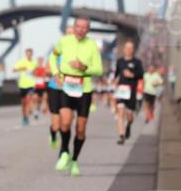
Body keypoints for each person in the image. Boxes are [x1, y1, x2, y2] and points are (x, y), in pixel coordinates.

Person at [52, 17, 103, 177]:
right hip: (67, 87)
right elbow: (53, 57)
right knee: (65, 122)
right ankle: (64, 152)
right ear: (74, 28)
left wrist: (84, 67)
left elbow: (99, 70)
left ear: (88, 30)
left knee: (80, 129)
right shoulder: (64, 41)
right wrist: (56, 73)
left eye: (84, 27)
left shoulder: (92, 45)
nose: (80, 29)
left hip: (84, 90)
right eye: (78, 26)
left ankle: (74, 160)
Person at [112, 40, 144, 145]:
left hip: (132, 91)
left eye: (130, 48)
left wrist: (132, 75)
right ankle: (121, 135)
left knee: (130, 116)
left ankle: (128, 125)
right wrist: (114, 81)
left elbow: (141, 75)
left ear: (133, 50)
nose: (128, 50)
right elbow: (116, 74)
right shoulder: (120, 61)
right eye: (126, 48)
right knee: (120, 112)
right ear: (124, 49)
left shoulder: (137, 62)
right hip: (121, 90)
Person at [12, 49, 38, 126]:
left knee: (28, 100)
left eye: (30, 54)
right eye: (27, 54)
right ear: (26, 54)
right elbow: (14, 70)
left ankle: (28, 112)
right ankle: (24, 117)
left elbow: (36, 72)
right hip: (22, 85)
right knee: (23, 103)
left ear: (32, 54)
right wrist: (22, 69)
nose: (29, 55)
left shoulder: (34, 63)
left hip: (31, 84)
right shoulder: (21, 62)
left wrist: (34, 73)